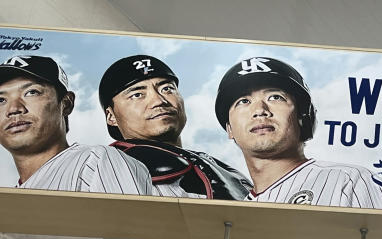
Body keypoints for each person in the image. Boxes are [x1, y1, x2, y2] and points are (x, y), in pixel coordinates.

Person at [215, 56, 382, 208]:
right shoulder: (235, 212)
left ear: (304, 116)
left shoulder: (351, 181)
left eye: (275, 97)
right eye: (243, 101)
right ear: (229, 128)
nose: (260, 110)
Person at [99, 54, 252, 199]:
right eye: (137, 95)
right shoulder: (104, 163)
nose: (159, 100)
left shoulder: (228, 171)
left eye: (167, 89)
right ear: (111, 116)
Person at [0, 55, 154, 194]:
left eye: (32, 92)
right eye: (1, 100)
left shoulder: (96, 161)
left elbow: (131, 225)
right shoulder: (12, 194)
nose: (14, 109)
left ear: (66, 103)